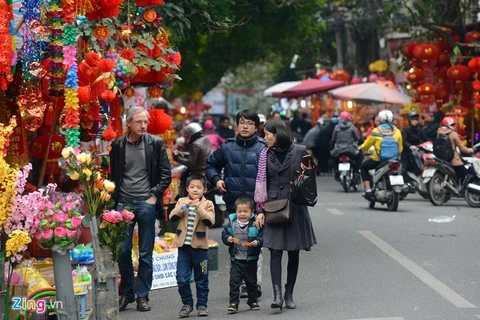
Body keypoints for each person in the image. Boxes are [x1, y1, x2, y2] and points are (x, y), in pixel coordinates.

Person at [110, 106, 172, 312]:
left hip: (146, 202)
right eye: (139, 122)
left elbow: (165, 175)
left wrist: (153, 195)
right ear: (128, 123)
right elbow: (114, 176)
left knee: (146, 253)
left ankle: (142, 296)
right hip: (124, 203)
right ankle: (127, 293)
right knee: (123, 250)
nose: (143, 125)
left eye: (145, 122)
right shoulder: (118, 145)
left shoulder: (155, 143)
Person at [254, 119, 317, 311]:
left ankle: (289, 293)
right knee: (274, 250)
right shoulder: (264, 154)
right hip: (272, 206)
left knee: (293, 251)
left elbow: (310, 177)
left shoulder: (299, 150)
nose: (265, 138)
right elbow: (261, 184)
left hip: (295, 206)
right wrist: (260, 211)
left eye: (267, 134)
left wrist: (308, 172)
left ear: (278, 133)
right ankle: (277, 295)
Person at [206, 109, 265, 297]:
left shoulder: (264, 148)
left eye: (249, 123)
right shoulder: (227, 147)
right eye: (242, 122)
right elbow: (210, 165)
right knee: (237, 243)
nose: (245, 126)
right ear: (237, 126)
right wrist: (216, 180)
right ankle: (238, 282)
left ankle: (253, 283)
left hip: (257, 206)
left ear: (256, 127)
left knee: (255, 243)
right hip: (234, 205)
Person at [169, 174, 215, 318]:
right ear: (187, 189)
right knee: (181, 278)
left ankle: (202, 305)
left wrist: (198, 208)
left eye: (199, 187)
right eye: (192, 187)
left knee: (202, 279)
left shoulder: (208, 204)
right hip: (183, 248)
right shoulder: (182, 201)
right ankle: (187, 304)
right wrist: (183, 207)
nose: (195, 190)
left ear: (204, 190)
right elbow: (172, 217)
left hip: (200, 248)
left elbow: (210, 221)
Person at [222, 196, 263, 313]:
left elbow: (262, 236)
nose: (242, 214)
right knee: (234, 282)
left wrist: (258, 242)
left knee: (251, 282)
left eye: (245, 211)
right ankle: (233, 303)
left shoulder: (255, 224)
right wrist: (228, 239)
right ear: (235, 211)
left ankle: (253, 301)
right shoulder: (231, 224)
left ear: (251, 212)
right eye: (239, 211)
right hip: (236, 260)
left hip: (251, 259)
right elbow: (224, 235)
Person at [358, 110, 403, 199]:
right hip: (394, 159)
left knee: (363, 166)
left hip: (378, 160)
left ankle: (368, 189)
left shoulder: (376, 131)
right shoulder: (397, 131)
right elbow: (400, 148)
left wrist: (361, 148)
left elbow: (367, 144)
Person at [173, 122, 213, 197]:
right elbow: (197, 154)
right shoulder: (204, 139)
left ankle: (185, 198)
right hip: (207, 169)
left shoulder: (195, 144)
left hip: (199, 171)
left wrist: (177, 158)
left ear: (192, 134)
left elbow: (191, 163)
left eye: (188, 135)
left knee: (184, 177)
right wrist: (182, 153)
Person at [436, 117, 474, 183]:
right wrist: (471, 150)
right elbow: (462, 148)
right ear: (449, 125)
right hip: (454, 161)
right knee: (467, 176)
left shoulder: (439, 133)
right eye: (453, 125)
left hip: (442, 159)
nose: (455, 126)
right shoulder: (453, 134)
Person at [331, 111, 363, 182]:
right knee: (360, 156)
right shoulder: (352, 127)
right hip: (350, 150)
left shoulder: (336, 127)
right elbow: (357, 138)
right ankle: (356, 172)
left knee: (333, 157)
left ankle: (336, 171)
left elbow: (333, 139)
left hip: (338, 150)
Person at [401, 112, 429, 177]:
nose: (415, 121)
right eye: (413, 120)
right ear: (409, 120)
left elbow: (425, 138)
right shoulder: (406, 129)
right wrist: (410, 146)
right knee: (404, 169)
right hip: (408, 152)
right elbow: (404, 141)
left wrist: (430, 143)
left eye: (416, 120)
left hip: (418, 151)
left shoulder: (419, 129)